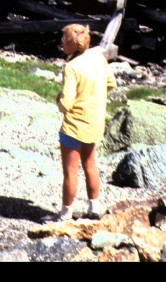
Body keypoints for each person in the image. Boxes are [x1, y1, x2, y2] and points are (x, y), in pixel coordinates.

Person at [55, 24, 116, 221]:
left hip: (74, 126)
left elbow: (66, 103)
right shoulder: (99, 57)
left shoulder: (71, 67)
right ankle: (94, 208)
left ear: (73, 44)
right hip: (94, 122)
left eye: (64, 39)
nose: (61, 41)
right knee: (90, 164)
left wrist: (58, 99)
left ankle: (65, 214)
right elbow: (111, 83)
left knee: (70, 172)